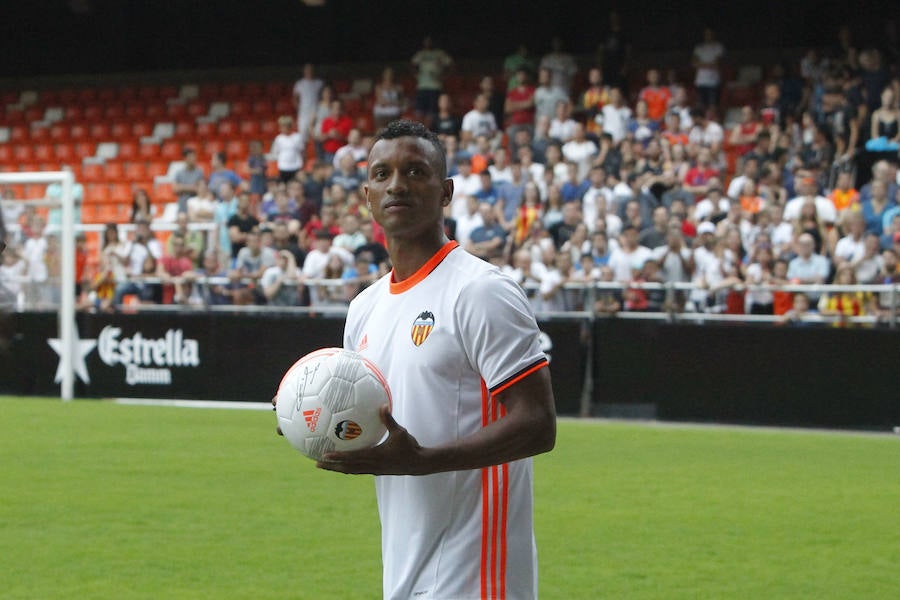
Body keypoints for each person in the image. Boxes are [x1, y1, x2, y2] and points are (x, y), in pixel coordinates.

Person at [281, 120, 556, 600]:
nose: (397, 185)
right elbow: (365, 420)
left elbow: (538, 424)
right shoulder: (363, 309)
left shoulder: (481, 291)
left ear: (446, 191)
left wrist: (424, 461)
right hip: (404, 574)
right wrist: (305, 415)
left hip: (478, 579)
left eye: (415, 171)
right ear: (367, 196)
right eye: (382, 174)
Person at [411, 36, 453, 126]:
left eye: (430, 41)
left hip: (435, 87)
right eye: (426, 41)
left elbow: (451, 65)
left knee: (432, 113)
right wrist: (416, 75)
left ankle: (429, 132)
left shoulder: (440, 54)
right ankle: (419, 131)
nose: (428, 43)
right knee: (419, 112)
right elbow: (412, 65)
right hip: (422, 86)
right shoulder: (420, 54)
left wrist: (445, 76)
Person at [292, 63, 324, 146]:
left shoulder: (319, 83)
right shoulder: (299, 84)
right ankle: (304, 157)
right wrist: (299, 108)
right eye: (307, 69)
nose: (309, 71)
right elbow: (295, 98)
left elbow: (323, 97)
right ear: (304, 71)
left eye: (310, 69)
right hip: (303, 114)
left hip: (317, 113)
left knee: (317, 134)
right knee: (303, 137)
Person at [270, 116, 304, 183]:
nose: (283, 128)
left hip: (296, 166)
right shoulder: (278, 139)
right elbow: (275, 153)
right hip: (283, 167)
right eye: (281, 126)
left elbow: (302, 151)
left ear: (290, 126)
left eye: (285, 126)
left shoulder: (297, 137)